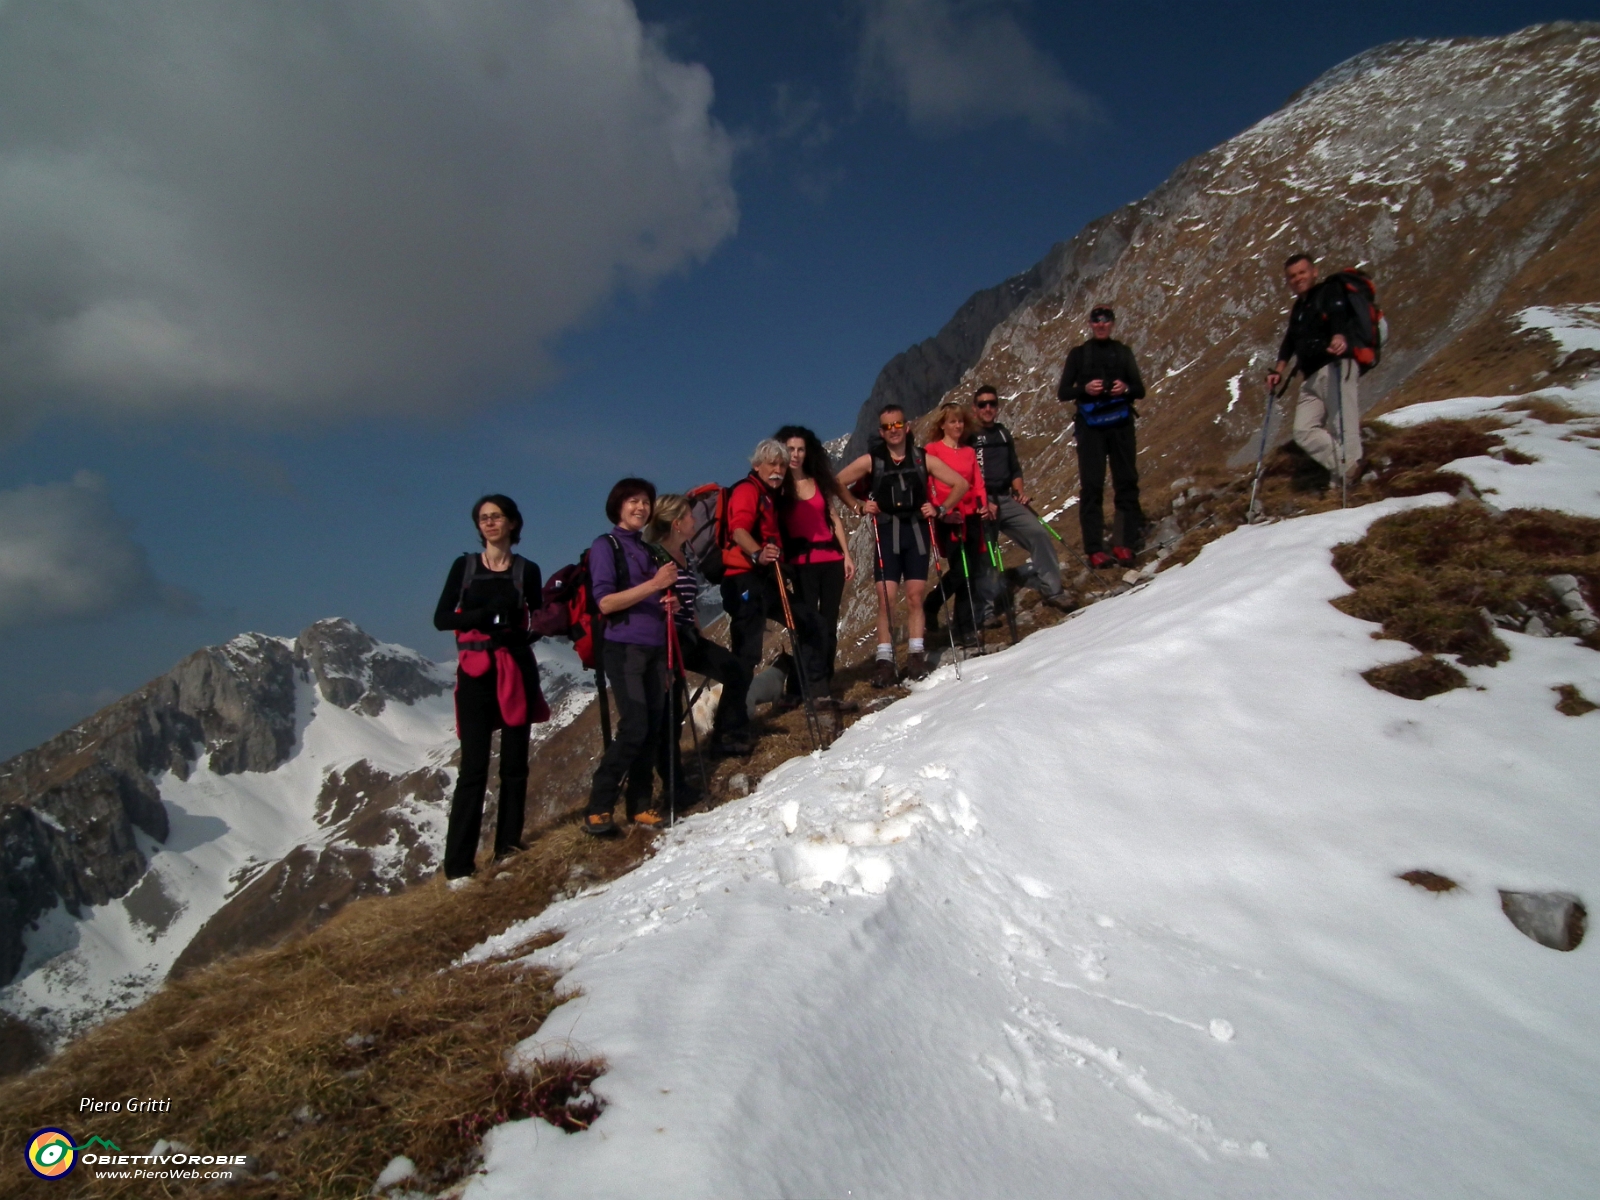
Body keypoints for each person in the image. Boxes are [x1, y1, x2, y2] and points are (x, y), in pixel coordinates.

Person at [432, 494, 551, 880]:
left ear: (513, 523)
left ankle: (508, 849)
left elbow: (541, 615)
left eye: (496, 516)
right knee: (473, 769)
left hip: (515, 666)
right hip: (476, 672)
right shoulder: (464, 566)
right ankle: (458, 867)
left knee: (515, 765)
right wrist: (481, 616)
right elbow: (441, 618)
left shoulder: (526, 569)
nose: (489, 523)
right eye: (483, 518)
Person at [838, 403, 969, 686]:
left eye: (898, 425)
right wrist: (858, 507)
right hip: (887, 533)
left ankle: (916, 656)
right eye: (888, 427)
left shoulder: (922, 459)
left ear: (906, 427)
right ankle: (885, 663)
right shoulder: (872, 461)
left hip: (917, 534)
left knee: (914, 597)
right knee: (885, 600)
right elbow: (836, 482)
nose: (894, 431)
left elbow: (960, 483)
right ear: (881, 432)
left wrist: (941, 510)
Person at [581, 478, 679, 836]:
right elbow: (605, 601)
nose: (641, 508)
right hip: (622, 647)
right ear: (618, 506)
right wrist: (655, 586)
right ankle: (598, 806)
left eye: (645, 502)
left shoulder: (648, 549)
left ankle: (639, 806)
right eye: (633, 501)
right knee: (635, 725)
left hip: (654, 647)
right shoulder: (605, 546)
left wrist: (670, 600)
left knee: (651, 728)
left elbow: (654, 597)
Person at [646, 494, 755, 771]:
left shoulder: (687, 555)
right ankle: (672, 779)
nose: (695, 519)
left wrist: (695, 625)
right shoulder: (653, 557)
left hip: (687, 636)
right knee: (670, 710)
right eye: (689, 515)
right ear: (676, 523)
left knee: (737, 670)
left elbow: (689, 597)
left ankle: (723, 735)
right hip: (664, 640)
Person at [719, 440, 831, 710]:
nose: (778, 470)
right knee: (747, 654)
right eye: (771, 464)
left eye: (781, 465)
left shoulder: (769, 495)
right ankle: (730, 727)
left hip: (764, 580)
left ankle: (814, 693)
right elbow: (738, 531)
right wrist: (758, 553)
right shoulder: (748, 491)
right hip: (743, 580)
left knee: (810, 622)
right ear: (756, 466)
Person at [968, 385, 1073, 612]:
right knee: (986, 553)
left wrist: (1019, 492)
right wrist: (983, 501)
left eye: (992, 403)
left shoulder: (1004, 433)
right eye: (982, 404)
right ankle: (985, 612)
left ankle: (1053, 590)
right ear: (974, 408)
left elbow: (1014, 468)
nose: (988, 408)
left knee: (1037, 533)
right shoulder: (969, 437)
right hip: (982, 504)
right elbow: (966, 473)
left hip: (1006, 499)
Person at [1057, 305, 1147, 567]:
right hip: (1090, 427)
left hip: (1121, 424)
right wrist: (1085, 389)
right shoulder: (1078, 354)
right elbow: (1063, 392)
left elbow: (1140, 389)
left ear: (1113, 323)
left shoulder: (1123, 352)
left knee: (1126, 481)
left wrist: (1125, 387)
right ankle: (1094, 549)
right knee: (1092, 486)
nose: (1101, 325)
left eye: (1106, 320)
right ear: (1090, 323)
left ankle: (1124, 543)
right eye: (1096, 320)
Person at [775, 424, 858, 703]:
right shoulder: (779, 489)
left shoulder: (818, 481)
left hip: (831, 561)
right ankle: (805, 685)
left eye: (800, 449)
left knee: (829, 622)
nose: (796, 455)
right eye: (790, 449)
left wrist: (846, 554)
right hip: (801, 564)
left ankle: (822, 680)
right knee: (809, 625)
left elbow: (833, 518)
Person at [1267, 253, 1362, 486]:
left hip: (1335, 366)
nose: (1298, 278)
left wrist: (1338, 335)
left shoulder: (1328, 292)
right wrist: (1278, 371)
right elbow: (1290, 341)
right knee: (1303, 430)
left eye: (1302, 272)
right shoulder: (1299, 308)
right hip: (1310, 376)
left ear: (1314, 272)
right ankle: (1348, 468)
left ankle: (1350, 482)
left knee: (1343, 423)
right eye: (1292, 276)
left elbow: (1339, 313)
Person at [920, 400, 990, 645]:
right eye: (952, 421)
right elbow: (929, 486)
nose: (958, 425)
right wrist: (942, 511)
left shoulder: (969, 452)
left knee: (969, 572)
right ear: (942, 425)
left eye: (960, 420)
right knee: (961, 570)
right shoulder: (932, 450)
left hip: (971, 516)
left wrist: (984, 504)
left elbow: (977, 482)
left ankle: (964, 627)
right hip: (949, 517)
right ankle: (932, 603)